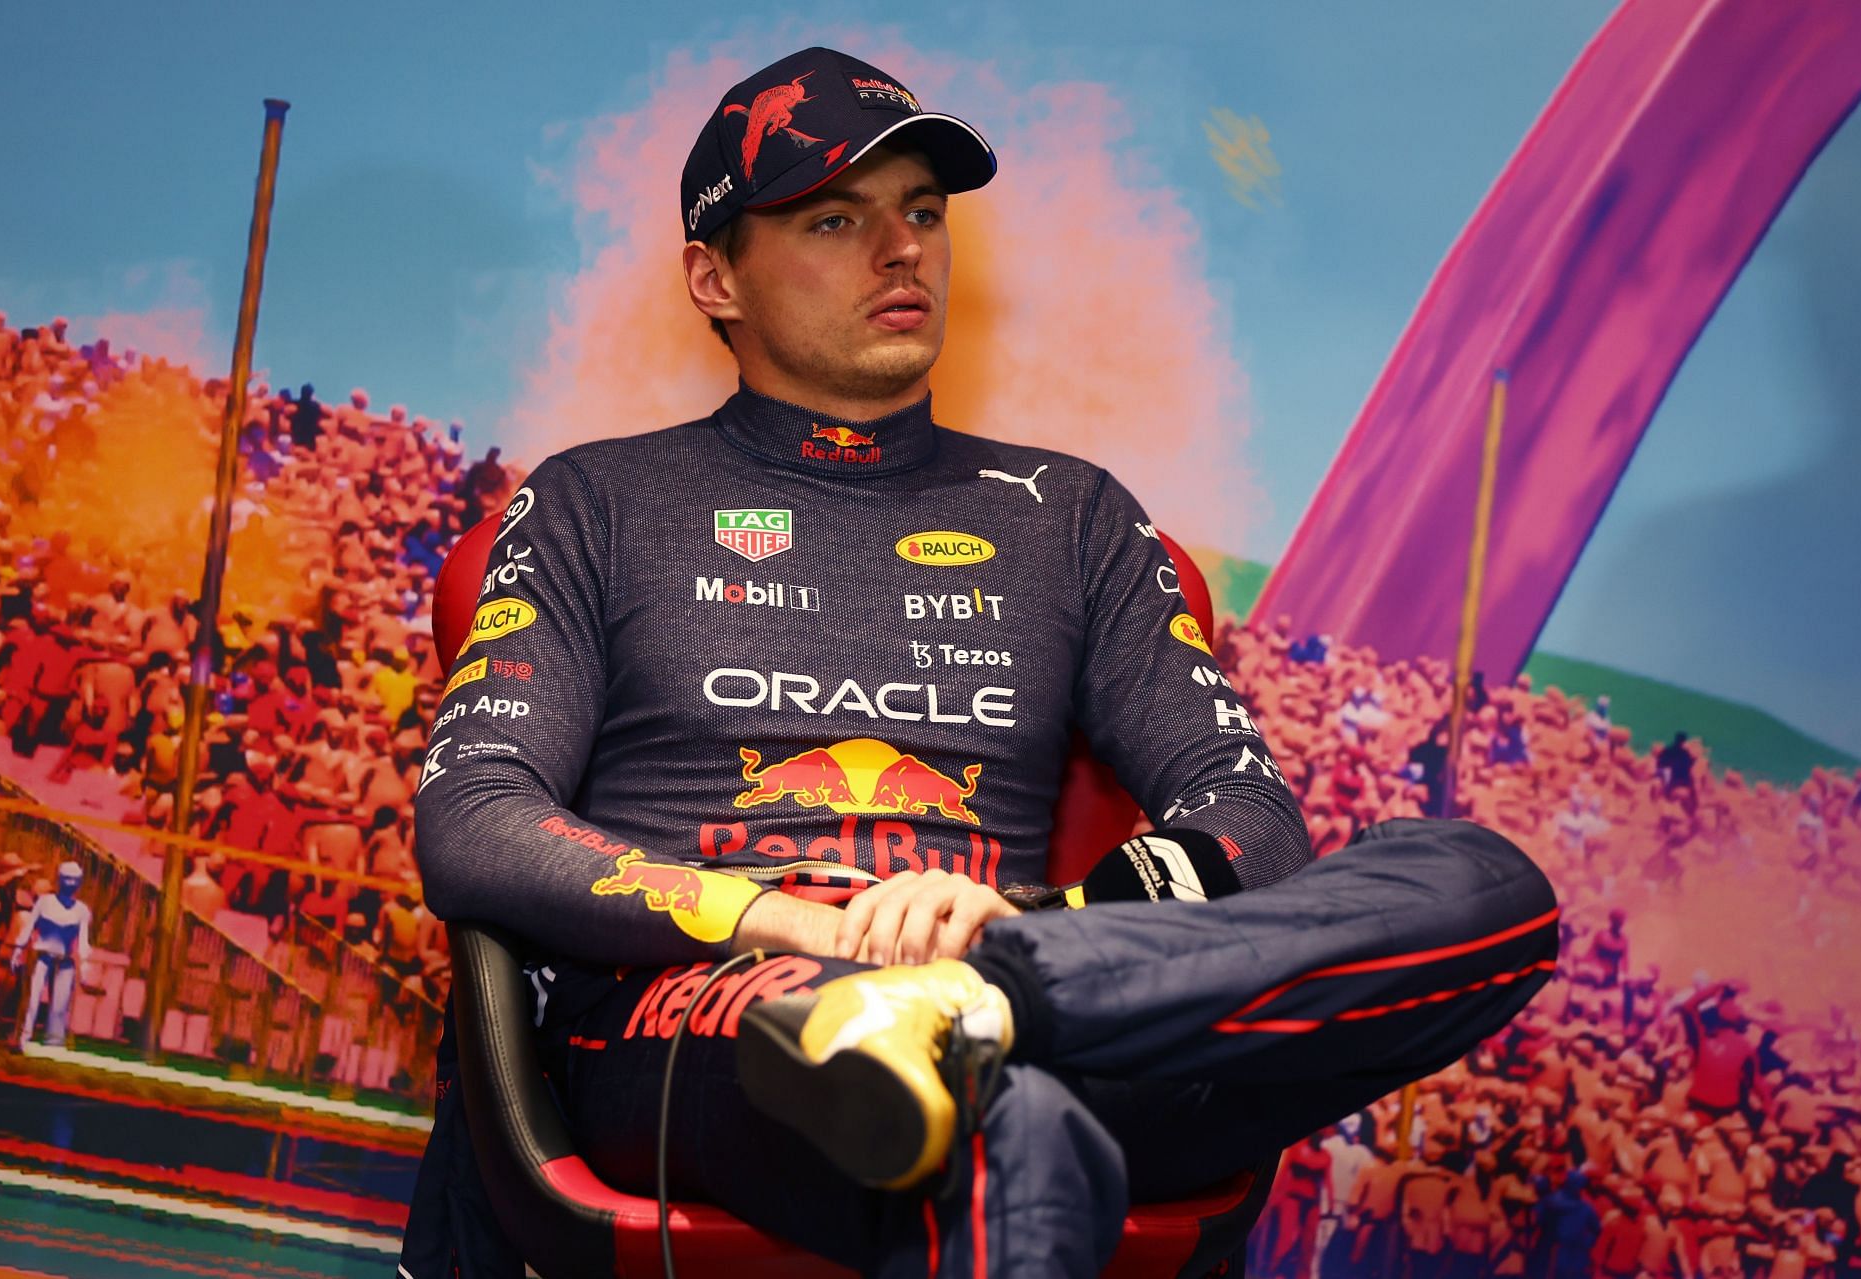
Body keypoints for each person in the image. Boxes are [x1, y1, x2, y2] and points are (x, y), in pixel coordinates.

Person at [401, 46, 1558, 1279]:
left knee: (1485, 883)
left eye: (923, 213)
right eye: (835, 219)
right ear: (714, 275)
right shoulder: (597, 502)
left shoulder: (1074, 517)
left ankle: (1001, 998)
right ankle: (970, 1026)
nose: (902, 251)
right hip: (716, 1008)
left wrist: (1030, 937)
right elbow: (474, 819)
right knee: (997, 1111)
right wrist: (794, 924)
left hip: (1040, 987)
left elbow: (1253, 824)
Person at [9, 859, 91, 1049]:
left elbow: (83, 940)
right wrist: (18, 949)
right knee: (31, 999)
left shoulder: (82, 910)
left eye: (75, 880)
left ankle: (54, 1042)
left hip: (65, 960)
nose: (71, 884)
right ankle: (23, 1036)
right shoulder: (45, 903)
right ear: (60, 880)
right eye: (67, 879)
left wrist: (85, 964)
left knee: (60, 1005)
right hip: (41, 956)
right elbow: (28, 927)